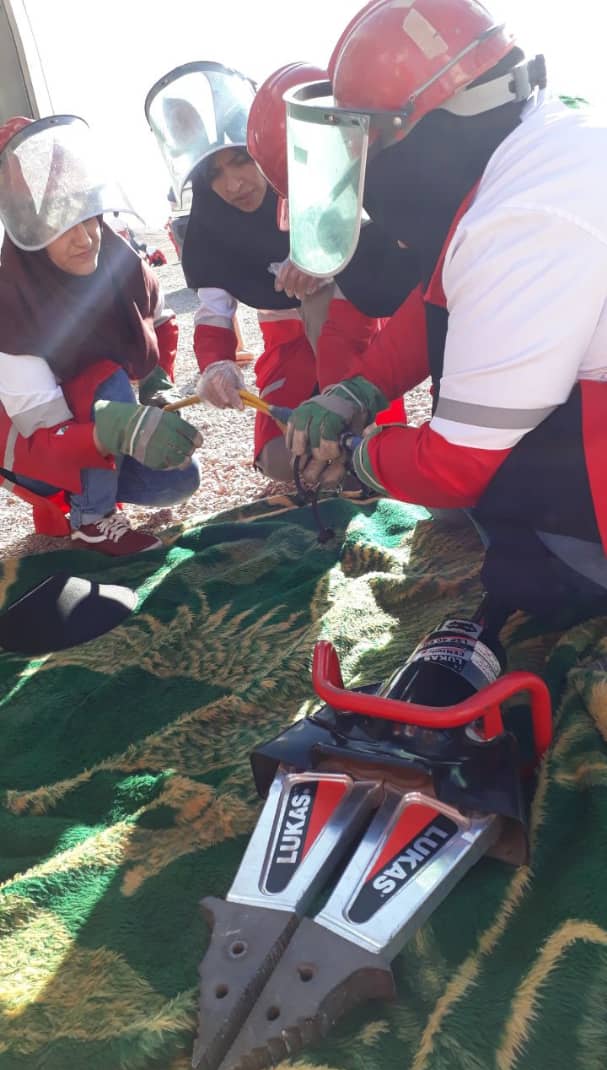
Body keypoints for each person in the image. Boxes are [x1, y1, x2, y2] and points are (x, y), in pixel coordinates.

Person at [283, 0, 607, 619]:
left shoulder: (522, 219)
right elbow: (445, 295)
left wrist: (357, 455)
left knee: (522, 567)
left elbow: (453, 468)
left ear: (422, 139)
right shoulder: (537, 135)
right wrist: (359, 390)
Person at [145, 61, 419, 483]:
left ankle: (361, 443)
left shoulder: (312, 177)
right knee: (279, 460)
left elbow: (378, 240)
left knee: (342, 427)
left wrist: (322, 257)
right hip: (285, 342)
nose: (232, 185)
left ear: (264, 148)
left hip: (349, 323)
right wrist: (217, 367)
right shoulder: (207, 226)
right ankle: (349, 455)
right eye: (214, 174)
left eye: (241, 161)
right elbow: (214, 311)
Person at [0, 114, 202, 556]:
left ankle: (90, 494)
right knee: (106, 376)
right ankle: (92, 518)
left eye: (85, 215)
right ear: (26, 233)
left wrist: (156, 386)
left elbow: (161, 319)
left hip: (91, 428)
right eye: (57, 226)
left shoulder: (121, 261)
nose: (84, 238)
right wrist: (113, 428)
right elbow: (39, 438)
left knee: (181, 477)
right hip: (34, 454)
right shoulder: (11, 305)